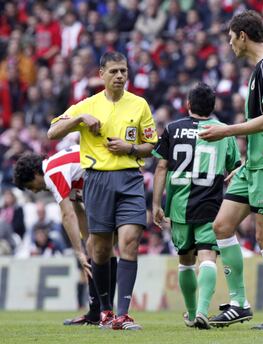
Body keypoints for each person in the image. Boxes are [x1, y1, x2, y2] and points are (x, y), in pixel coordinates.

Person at [199, 10, 263, 330]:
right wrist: (245, 158)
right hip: (254, 164)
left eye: (231, 37)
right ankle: (239, 303)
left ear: (243, 35)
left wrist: (225, 131)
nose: (229, 44)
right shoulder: (261, 69)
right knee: (222, 226)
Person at [47, 51, 158, 330]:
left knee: (130, 240)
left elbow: (151, 144)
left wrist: (130, 148)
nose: (120, 76)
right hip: (97, 180)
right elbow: (53, 133)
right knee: (100, 249)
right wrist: (79, 119)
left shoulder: (140, 105)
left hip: (131, 178)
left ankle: (123, 313)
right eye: (114, 71)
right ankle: (106, 311)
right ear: (101, 74)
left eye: (123, 71)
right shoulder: (88, 104)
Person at [152, 82, 243, 329]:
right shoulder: (224, 131)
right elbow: (236, 168)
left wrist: (156, 204)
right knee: (207, 258)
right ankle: (203, 310)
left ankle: (192, 313)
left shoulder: (172, 129)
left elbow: (161, 167)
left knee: (185, 262)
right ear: (213, 107)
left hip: (179, 206)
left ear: (188, 105)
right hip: (210, 204)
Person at [13, 145, 118, 325]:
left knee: (100, 250)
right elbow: (78, 209)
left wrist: (78, 252)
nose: (36, 191)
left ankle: (103, 313)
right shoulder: (60, 166)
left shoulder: (52, 173)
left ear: (35, 174)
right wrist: (86, 244)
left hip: (113, 182)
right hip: (110, 181)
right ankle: (97, 313)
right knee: (97, 249)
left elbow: (67, 215)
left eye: (31, 186)